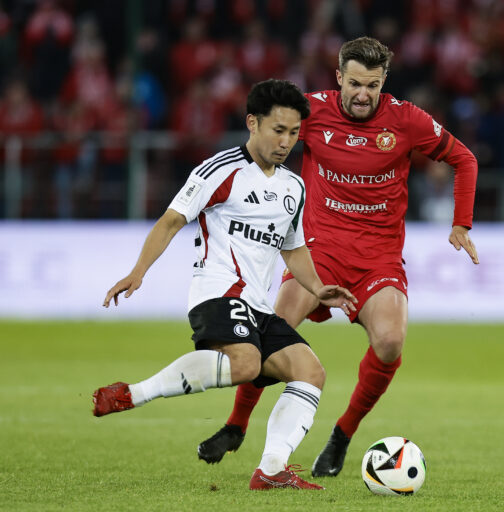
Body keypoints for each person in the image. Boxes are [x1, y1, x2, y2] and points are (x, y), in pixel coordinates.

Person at [197, 37, 479, 477]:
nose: (362, 94)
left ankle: (342, 435)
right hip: (319, 251)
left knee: (389, 344)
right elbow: (261, 139)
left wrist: (461, 222)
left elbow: (464, 159)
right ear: (338, 79)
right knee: (272, 329)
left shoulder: (407, 120)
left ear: (383, 81)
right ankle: (236, 425)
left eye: (372, 84)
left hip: (378, 257)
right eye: (354, 84)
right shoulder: (310, 112)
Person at [92, 79, 357, 491]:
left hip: (257, 304)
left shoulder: (293, 187)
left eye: (293, 133)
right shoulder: (220, 170)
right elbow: (172, 220)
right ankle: (133, 393)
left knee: (310, 372)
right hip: (217, 292)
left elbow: (293, 249)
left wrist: (319, 288)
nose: (286, 141)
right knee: (246, 364)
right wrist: (139, 270)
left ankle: (271, 469)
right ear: (252, 123)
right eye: (277, 130)